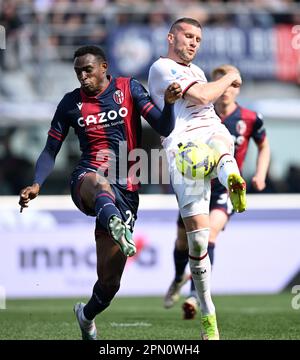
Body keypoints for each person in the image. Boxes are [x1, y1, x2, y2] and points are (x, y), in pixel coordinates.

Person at [18, 45, 182, 340]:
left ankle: (86, 315)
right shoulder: (70, 104)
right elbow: (50, 149)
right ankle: (114, 221)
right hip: (87, 178)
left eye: (87, 70)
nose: (82, 76)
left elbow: (164, 126)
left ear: (104, 66)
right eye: (78, 72)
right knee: (98, 182)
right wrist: (37, 183)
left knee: (109, 283)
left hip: (128, 188)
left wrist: (169, 104)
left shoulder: (128, 89)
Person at [148, 18, 247, 340]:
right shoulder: (162, 68)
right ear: (171, 37)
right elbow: (204, 97)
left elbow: (206, 102)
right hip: (182, 149)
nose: (193, 43)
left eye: (198, 39)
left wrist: (219, 86)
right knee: (199, 241)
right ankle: (207, 311)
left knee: (221, 139)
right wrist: (231, 77)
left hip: (209, 133)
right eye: (188, 36)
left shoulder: (198, 71)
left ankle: (232, 177)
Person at [163, 64, 271, 320]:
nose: (226, 90)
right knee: (182, 241)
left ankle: (194, 295)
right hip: (196, 184)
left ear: (238, 88)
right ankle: (179, 277)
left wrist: (260, 174)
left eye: (232, 85)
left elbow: (264, 146)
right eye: (221, 83)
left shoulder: (250, 118)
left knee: (208, 236)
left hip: (224, 187)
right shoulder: (200, 115)